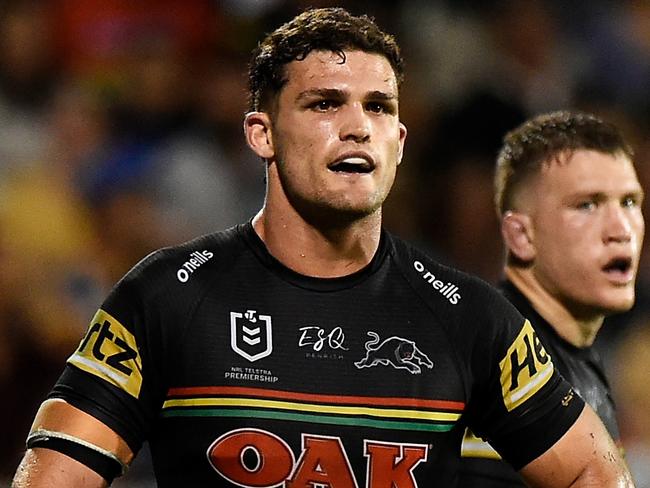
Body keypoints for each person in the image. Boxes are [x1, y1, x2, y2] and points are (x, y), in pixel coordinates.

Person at [12, 8, 635, 488]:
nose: (357, 125)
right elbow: (56, 473)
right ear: (262, 133)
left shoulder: (468, 317)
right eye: (324, 103)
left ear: (399, 138)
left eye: (378, 106)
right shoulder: (169, 296)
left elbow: (594, 471)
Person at [459, 110, 645, 486]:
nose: (620, 229)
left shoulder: (573, 353)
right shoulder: (494, 357)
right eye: (587, 204)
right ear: (521, 236)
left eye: (629, 202)